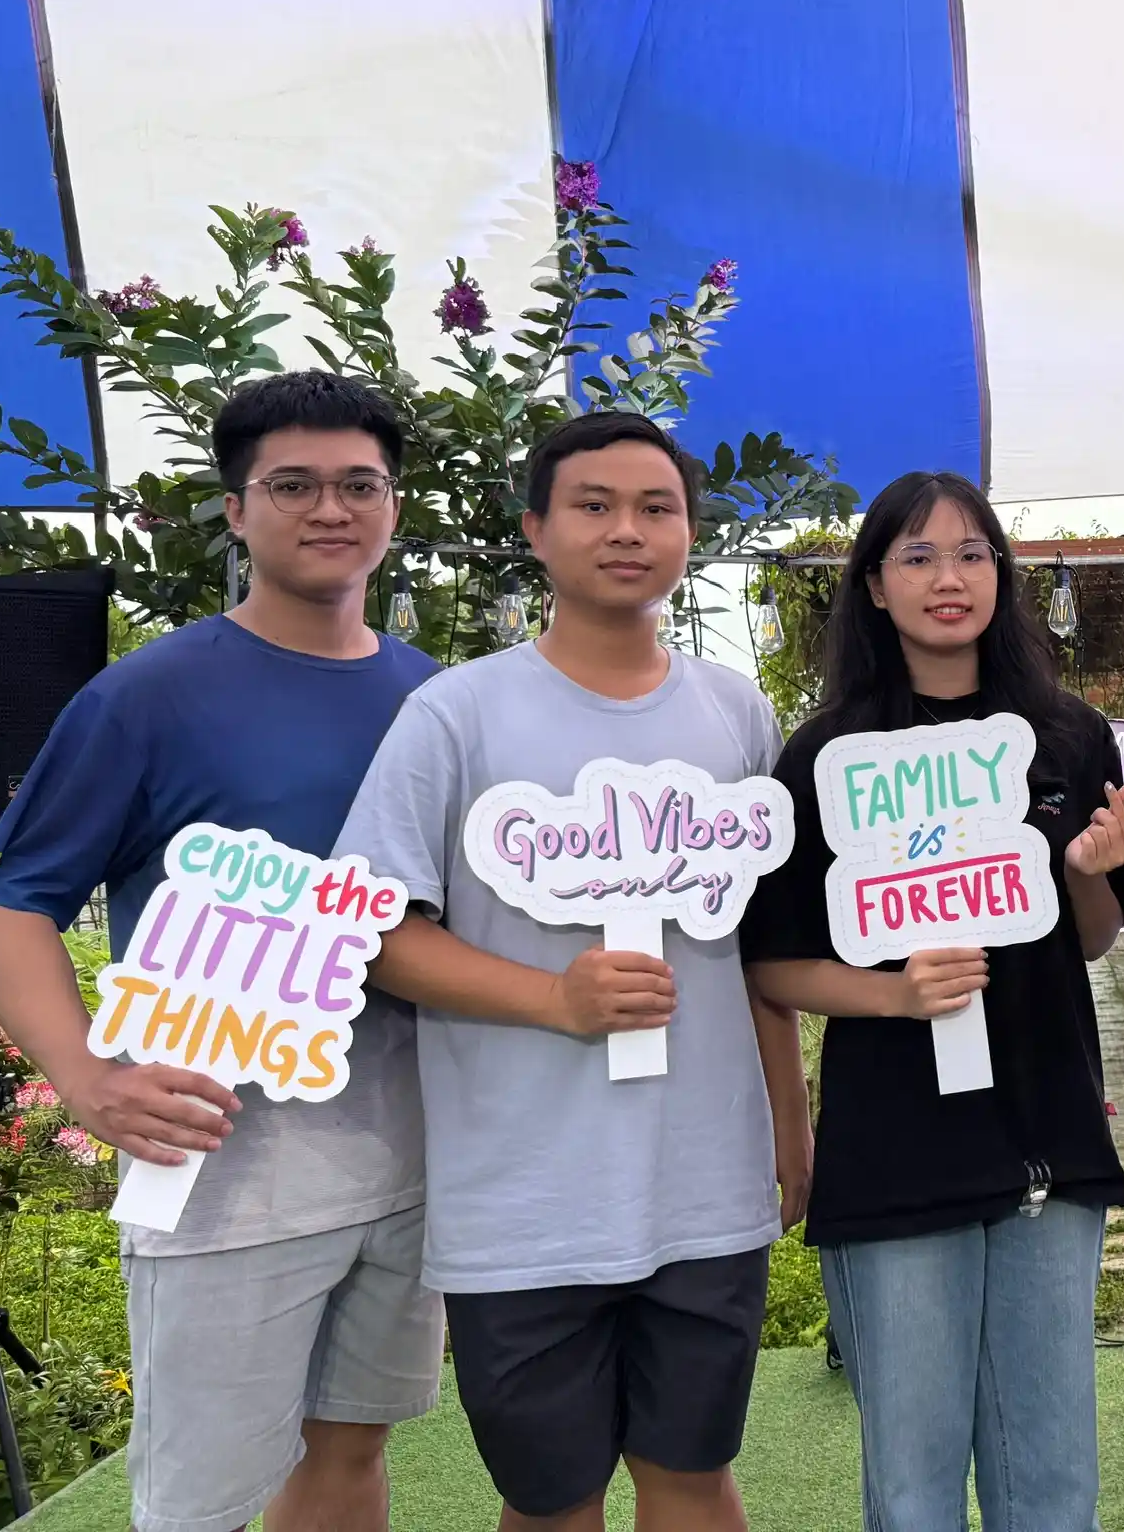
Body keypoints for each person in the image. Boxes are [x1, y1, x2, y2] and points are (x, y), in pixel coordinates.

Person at [0, 371, 440, 1532]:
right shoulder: (147, 697)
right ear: (235, 510)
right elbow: (5, 906)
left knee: (352, 1454)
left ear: (392, 505)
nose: (331, 509)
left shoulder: (433, 699)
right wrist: (85, 1078)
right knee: (200, 1500)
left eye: (358, 485)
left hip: (414, 1156)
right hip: (223, 1169)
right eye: (293, 485)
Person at [339, 410, 809, 1532]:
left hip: (705, 1184)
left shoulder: (735, 712)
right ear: (536, 531)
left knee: (693, 1474)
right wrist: (554, 999)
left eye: (657, 508)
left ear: (691, 532)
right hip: (524, 1200)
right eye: (593, 506)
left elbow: (760, 951)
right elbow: (373, 929)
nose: (627, 531)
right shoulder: (457, 712)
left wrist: (790, 1126)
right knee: (552, 1498)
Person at [739, 471, 1124, 1530]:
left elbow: (1096, 936)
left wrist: (1089, 869)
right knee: (913, 1478)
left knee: (1051, 1471)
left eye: (971, 554)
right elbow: (771, 962)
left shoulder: (1066, 735)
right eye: (916, 557)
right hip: (895, 1146)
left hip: (1045, 1131)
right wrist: (893, 996)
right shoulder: (824, 755)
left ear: (1001, 574)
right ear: (874, 587)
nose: (948, 579)